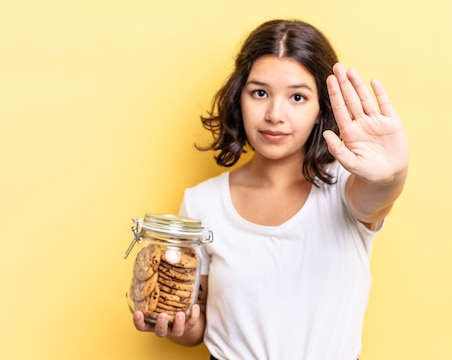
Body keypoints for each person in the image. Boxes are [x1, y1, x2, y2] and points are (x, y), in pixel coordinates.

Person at [133, 19, 409, 359]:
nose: (274, 114)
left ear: (321, 106)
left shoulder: (345, 188)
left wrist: (392, 173)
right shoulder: (203, 202)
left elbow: (377, 196)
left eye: (297, 97)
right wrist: (180, 326)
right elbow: (199, 323)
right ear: (239, 97)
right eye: (260, 93)